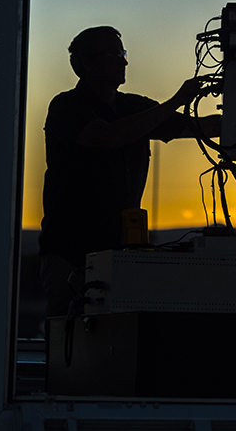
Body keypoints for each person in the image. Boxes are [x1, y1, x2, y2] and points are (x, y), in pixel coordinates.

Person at [38, 25, 221, 318]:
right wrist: (176, 100)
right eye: (115, 54)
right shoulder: (65, 107)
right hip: (70, 255)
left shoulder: (135, 107)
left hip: (120, 255)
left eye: (123, 53)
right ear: (88, 62)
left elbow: (200, 127)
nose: (124, 61)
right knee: (68, 341)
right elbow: (108, 136)